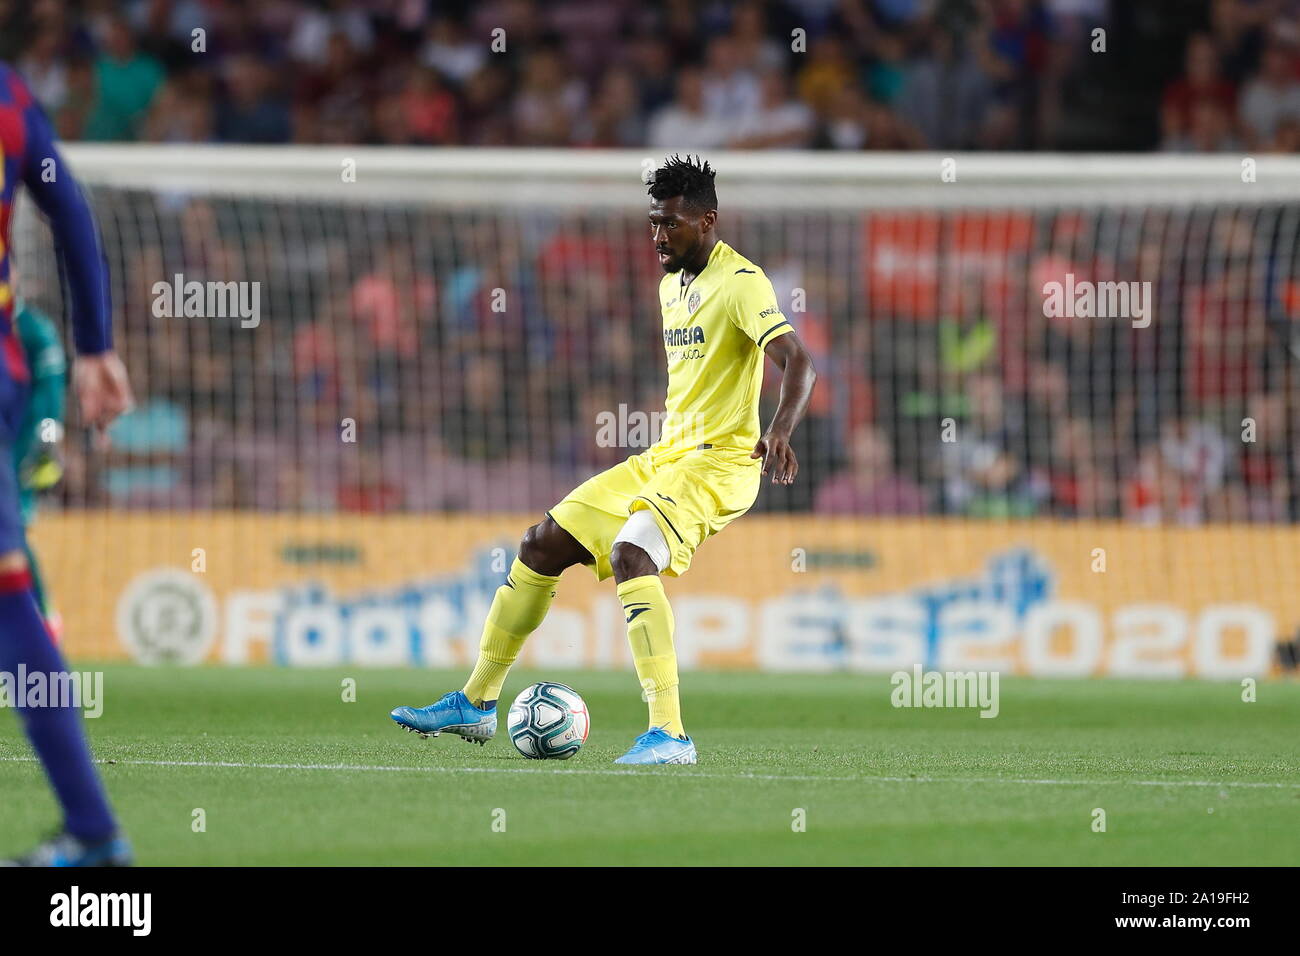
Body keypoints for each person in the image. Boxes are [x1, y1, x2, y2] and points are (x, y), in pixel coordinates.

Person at [391, 155, 817, 764]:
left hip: (721, 464)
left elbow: (800, 361)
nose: (658, 236)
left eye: (670, 224)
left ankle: (670, 734)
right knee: (541, 543)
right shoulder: (672, 285)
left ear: (708, 220)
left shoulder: (744, 282)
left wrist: (778, 429)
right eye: (653, 223)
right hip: (666, 456)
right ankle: (477, 702)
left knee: (632, 553)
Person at [0, 62, 136, 866]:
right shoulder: (9, 95)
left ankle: (92, 832)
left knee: (12, 592)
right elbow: (67, 205)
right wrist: (96, 345)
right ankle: (90, 832)